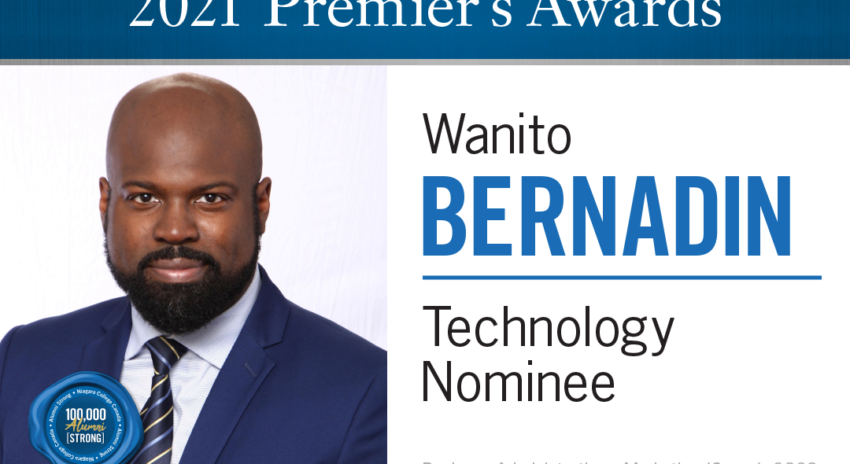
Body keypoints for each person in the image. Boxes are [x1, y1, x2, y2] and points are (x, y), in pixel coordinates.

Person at [0, 73, 387, 463]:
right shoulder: (20, 360)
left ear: (261, 205)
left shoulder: (366, 389)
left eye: (210, 198)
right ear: (106, 204)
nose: (174, 231)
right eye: (144, 197)